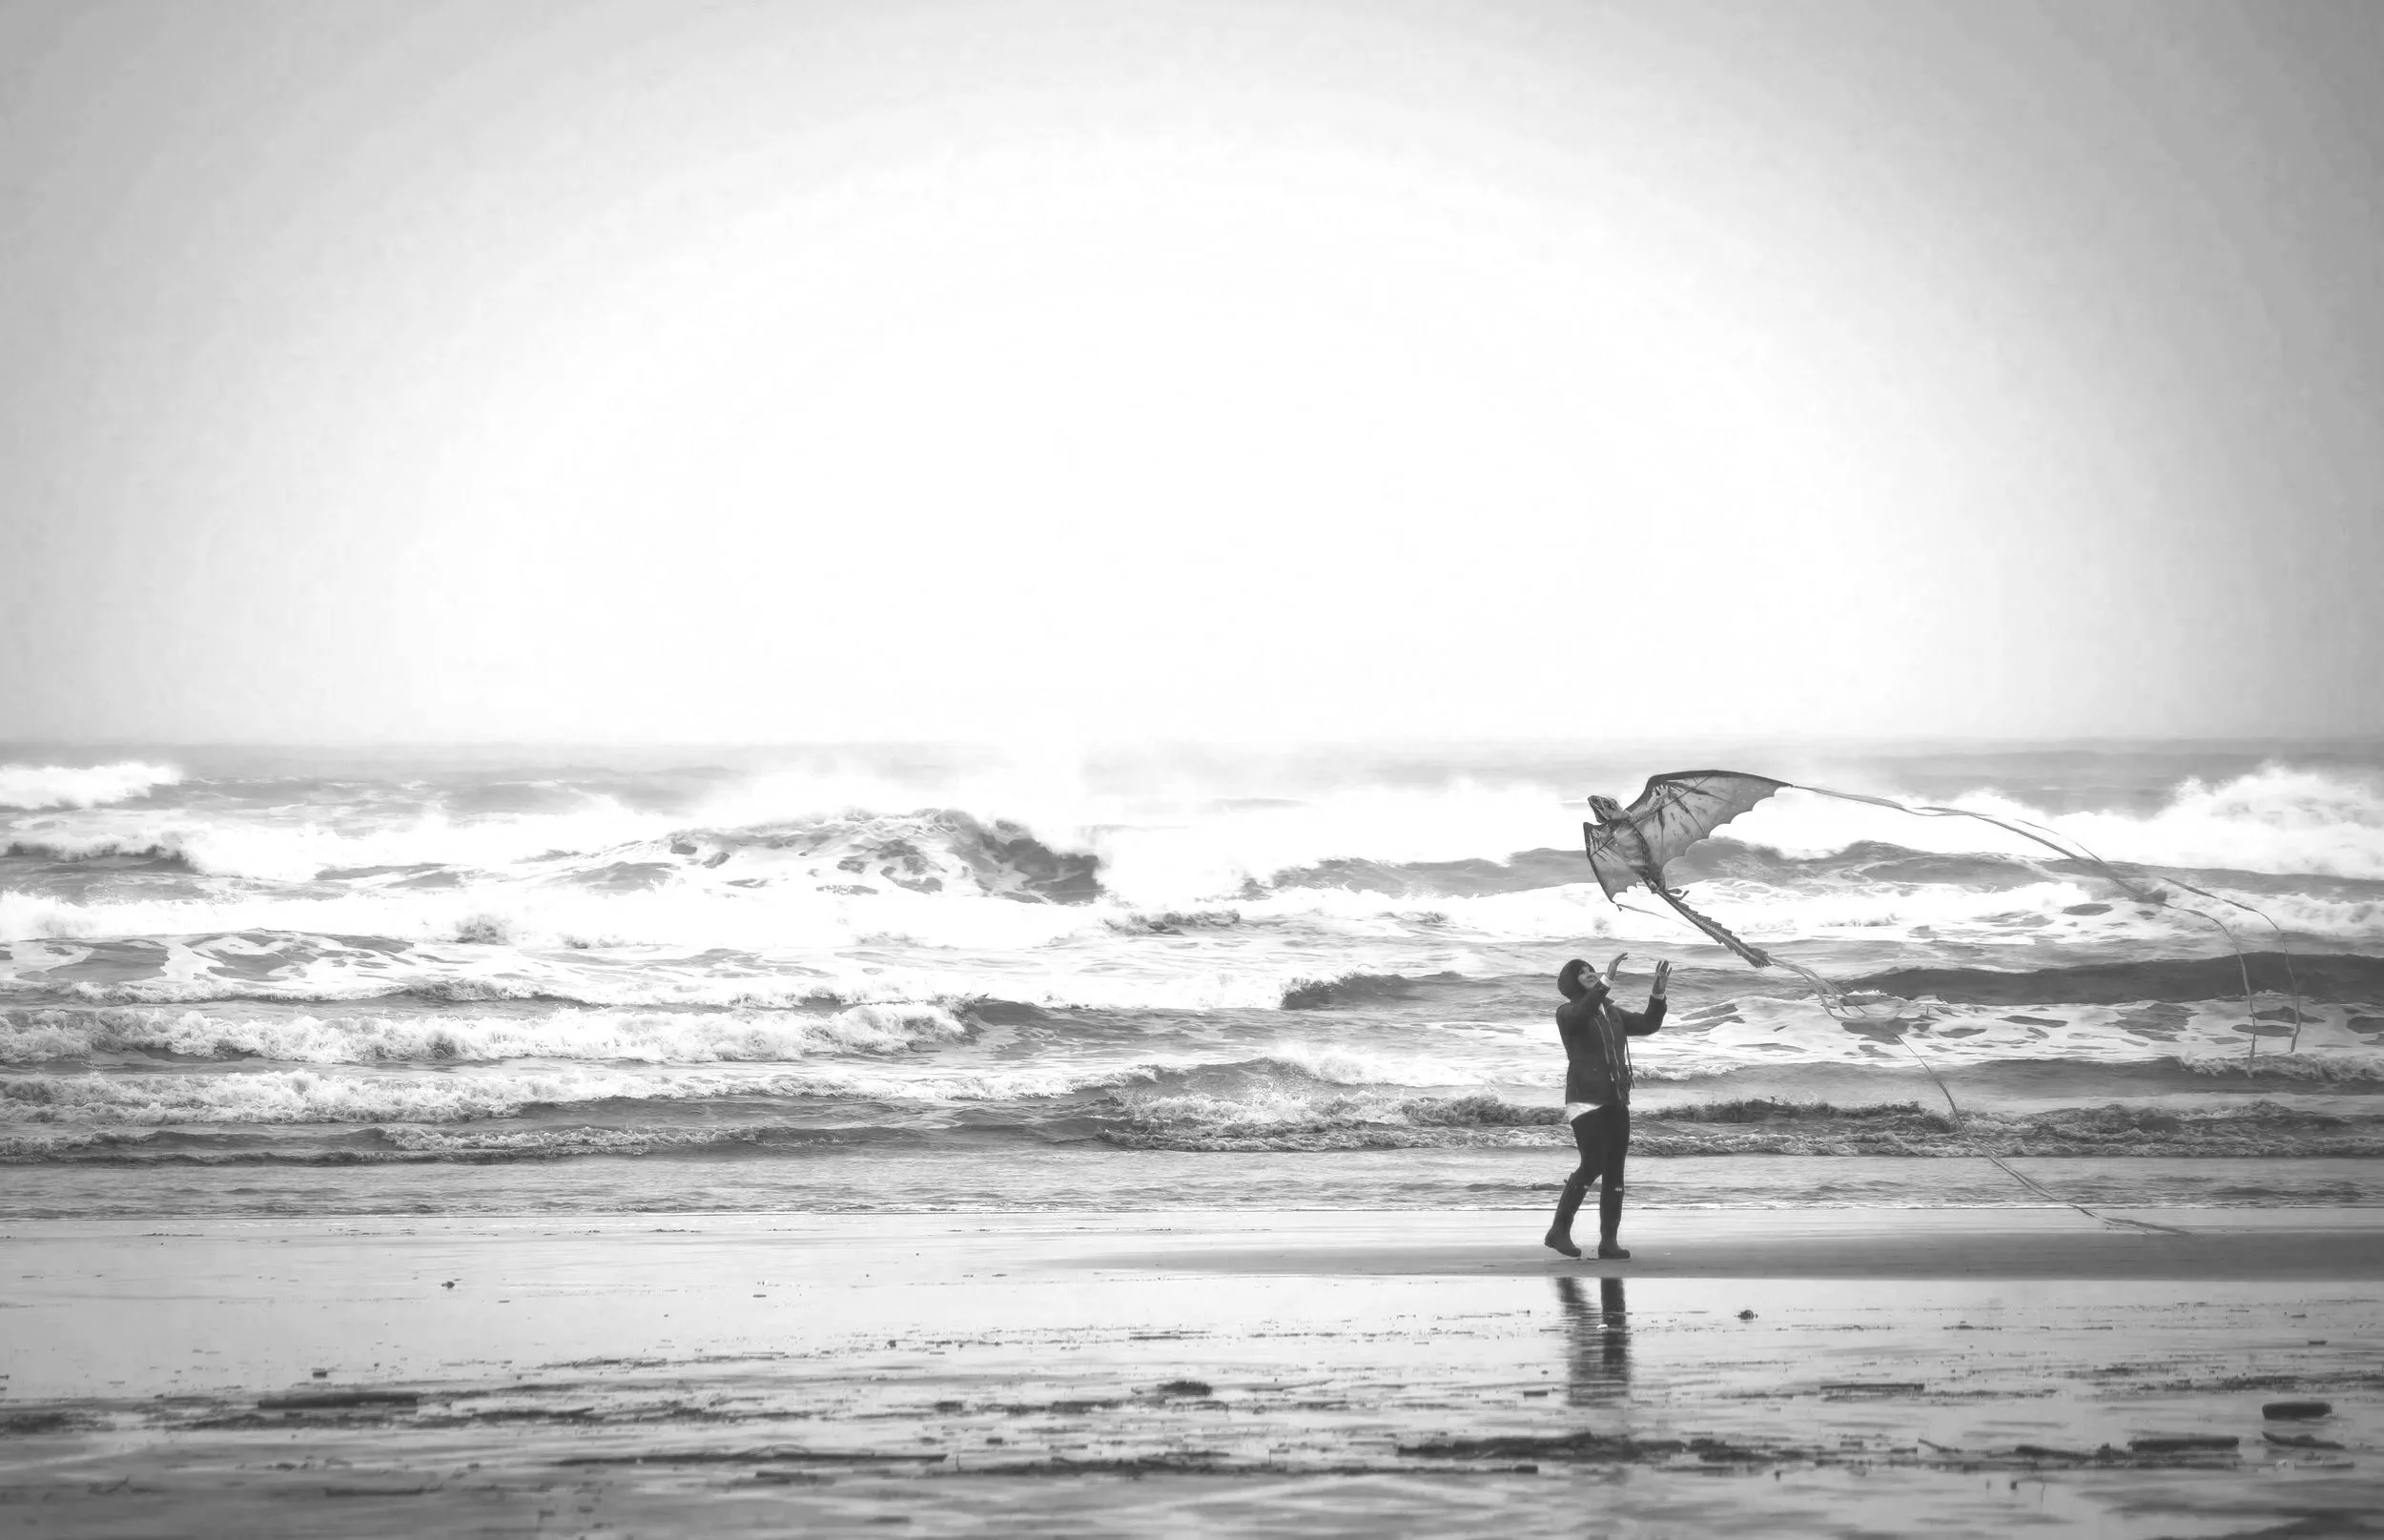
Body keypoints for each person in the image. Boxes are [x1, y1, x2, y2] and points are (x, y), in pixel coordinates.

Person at [1544, 953, 1669, 1260]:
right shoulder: (1567, 1012)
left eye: (1591, 970)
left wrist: (1658, 992)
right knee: (1593, 1164)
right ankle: (1559, 1231)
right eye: (1582, 972)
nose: (1588, 973)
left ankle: (1608, 1242)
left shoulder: (1612, 1015)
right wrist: (1606, 980)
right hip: (1584, 1099)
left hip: (1616, 1099)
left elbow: (1649, 1023)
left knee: (1614, 1171)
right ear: (1570, 982)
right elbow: (1582, 1013)